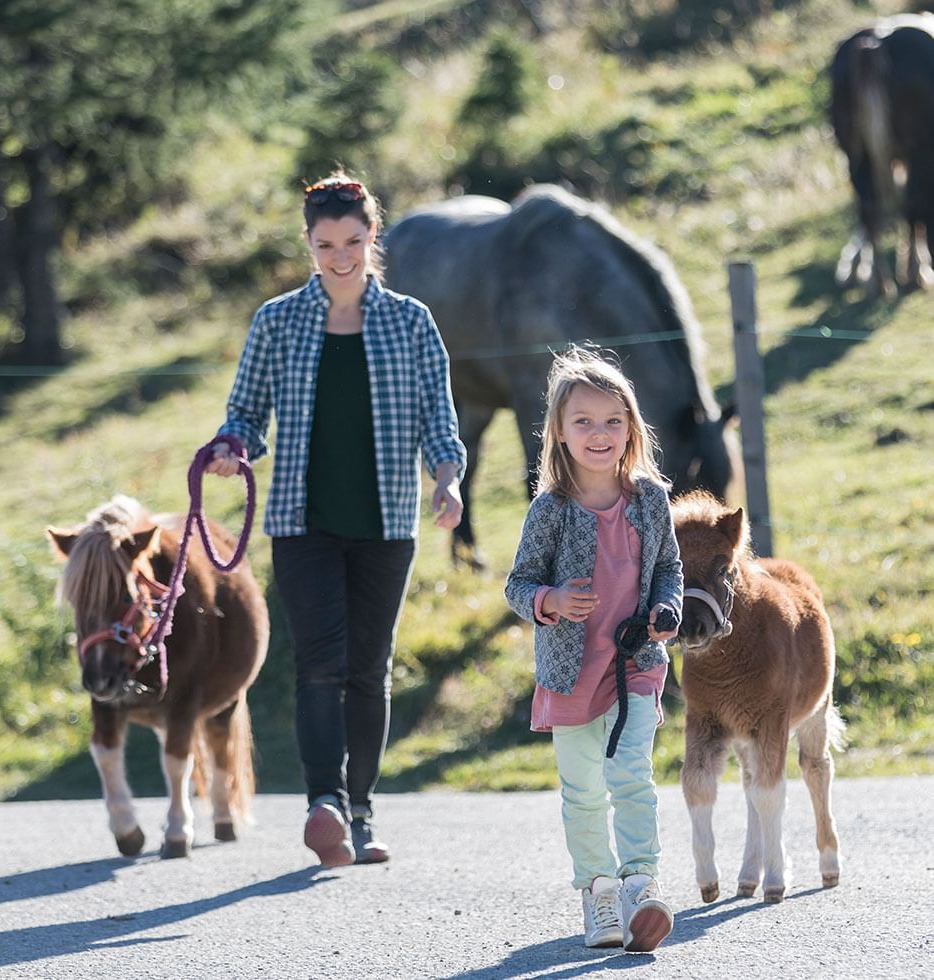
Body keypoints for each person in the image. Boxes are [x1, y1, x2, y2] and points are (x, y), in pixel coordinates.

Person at [207, 172, 466, 868]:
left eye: (353, 240)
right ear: (309, 243)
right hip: (302, 521)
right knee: (320, 665)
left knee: (368, 669)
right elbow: (245, 412)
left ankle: (361, 809)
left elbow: (440, 422)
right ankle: (324, 803)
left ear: (372, 236)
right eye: (326, 244)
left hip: (386, 524)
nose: (341, 256)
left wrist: (448, 481)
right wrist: (233, 448)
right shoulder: (277, 320)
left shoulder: (410, 322)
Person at [504, 346, 682, 953]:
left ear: (632, 425)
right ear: (558, 430)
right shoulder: (550, 510)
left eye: (612, 420)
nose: (599, 434)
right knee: (583, 790)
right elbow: (518, 584)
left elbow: (669, 569)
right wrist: (550, 600)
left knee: (632, 775)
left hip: (636, 664)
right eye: (583, 421)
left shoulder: (651, 499)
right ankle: (599, 892)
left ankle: (641, 884)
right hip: (570, 670)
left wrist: (667, 610)